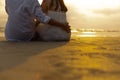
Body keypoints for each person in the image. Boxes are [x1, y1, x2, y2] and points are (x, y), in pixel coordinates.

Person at [5, 0, 70, 41]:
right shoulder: (32, 1)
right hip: (25, 36)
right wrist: (62, 25)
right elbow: (42, 18)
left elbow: (8, 11)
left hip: (9, 35)